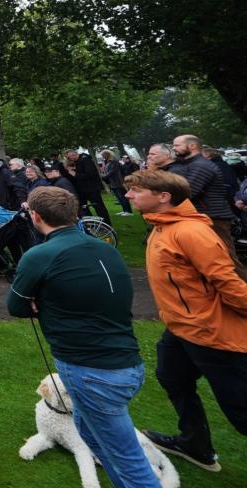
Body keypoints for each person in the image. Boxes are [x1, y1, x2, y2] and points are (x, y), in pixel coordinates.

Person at [7, 186, 158, 487]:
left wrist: (42, 302)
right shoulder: (106, 249)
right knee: (90, 434)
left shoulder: (39, 255)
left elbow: (17, 305)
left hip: (93, 369)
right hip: (126, 361)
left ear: (35, 217)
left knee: (127, 457)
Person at [125, 169, 247, 472]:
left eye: (136, 190)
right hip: (180, 329)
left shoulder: (190, 232)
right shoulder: (161, 225)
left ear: (163, 197)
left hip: (210, 333)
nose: (128, 196)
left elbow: (228, 282)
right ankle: (196, 445)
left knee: (241, 410)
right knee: (172, 376)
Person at [163, 135, 247, 282]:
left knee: (227, 259)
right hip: (205, 217)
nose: (173, 148)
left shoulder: (200, 165)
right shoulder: (190, 164)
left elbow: (189, 191)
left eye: (177, 145)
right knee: (212, 260)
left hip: (214, 218)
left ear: (192, 146)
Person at [63, 148, 115, 226]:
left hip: (92, 188)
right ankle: (91, 224)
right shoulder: (78, 161)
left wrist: (75, 174)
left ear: (74, 154)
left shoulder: (85, 159)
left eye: (69, 157)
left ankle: (107, 225)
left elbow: (90, 174)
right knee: (84, 207)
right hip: (84, 189)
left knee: (99, 207)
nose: (69, 158)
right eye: (68, 157)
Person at [101, 149, 132, 216]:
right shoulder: (107, 162)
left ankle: (128, 211)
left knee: (123, 197)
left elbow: (113, 171)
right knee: (119, 198)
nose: (102, 156)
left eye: (103, 155)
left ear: (108, 154)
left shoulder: (114, 161)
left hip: (118, 181)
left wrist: (104, 177)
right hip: (112, 183)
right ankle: (124, 210)